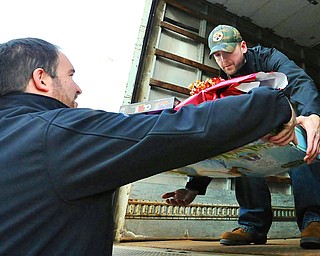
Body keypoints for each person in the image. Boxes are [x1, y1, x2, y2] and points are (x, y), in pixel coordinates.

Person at [0, 38, 295, 256]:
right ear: (41, 79)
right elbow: (182, 131)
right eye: (70, 75)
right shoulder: (57, 133)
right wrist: (276, 104)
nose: (78, 88)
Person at [162, 25, 320, 249]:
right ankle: (252, 224)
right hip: (257, 134)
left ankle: (314, 219)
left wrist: (312, 115)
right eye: (217, 55)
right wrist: (193, 186)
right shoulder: (219, 86)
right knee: (240, 143)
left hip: (292, 122)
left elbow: (299, 81)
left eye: (228, 52)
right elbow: (215, 136)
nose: (223, 60)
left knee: (305, 140)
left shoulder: (269, 58)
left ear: (243, 46)